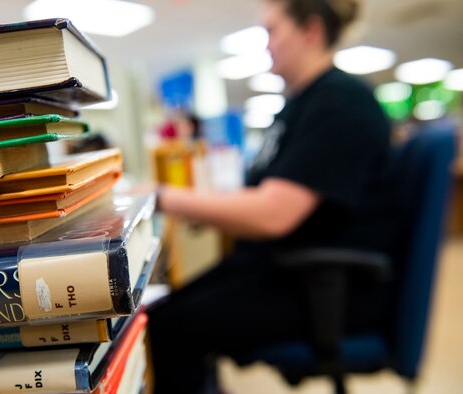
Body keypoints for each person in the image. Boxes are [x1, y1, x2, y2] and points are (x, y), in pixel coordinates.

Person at [147, 0, 398, 393]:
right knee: (161, 314)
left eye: (272, 31)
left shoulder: (340, 102)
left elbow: (273, 214)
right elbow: (269, 195)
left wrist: (164, 197)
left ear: (311, 31)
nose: (266, 44)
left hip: (328, 287)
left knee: (169, 330)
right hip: (288, 268)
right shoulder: (301, 105)